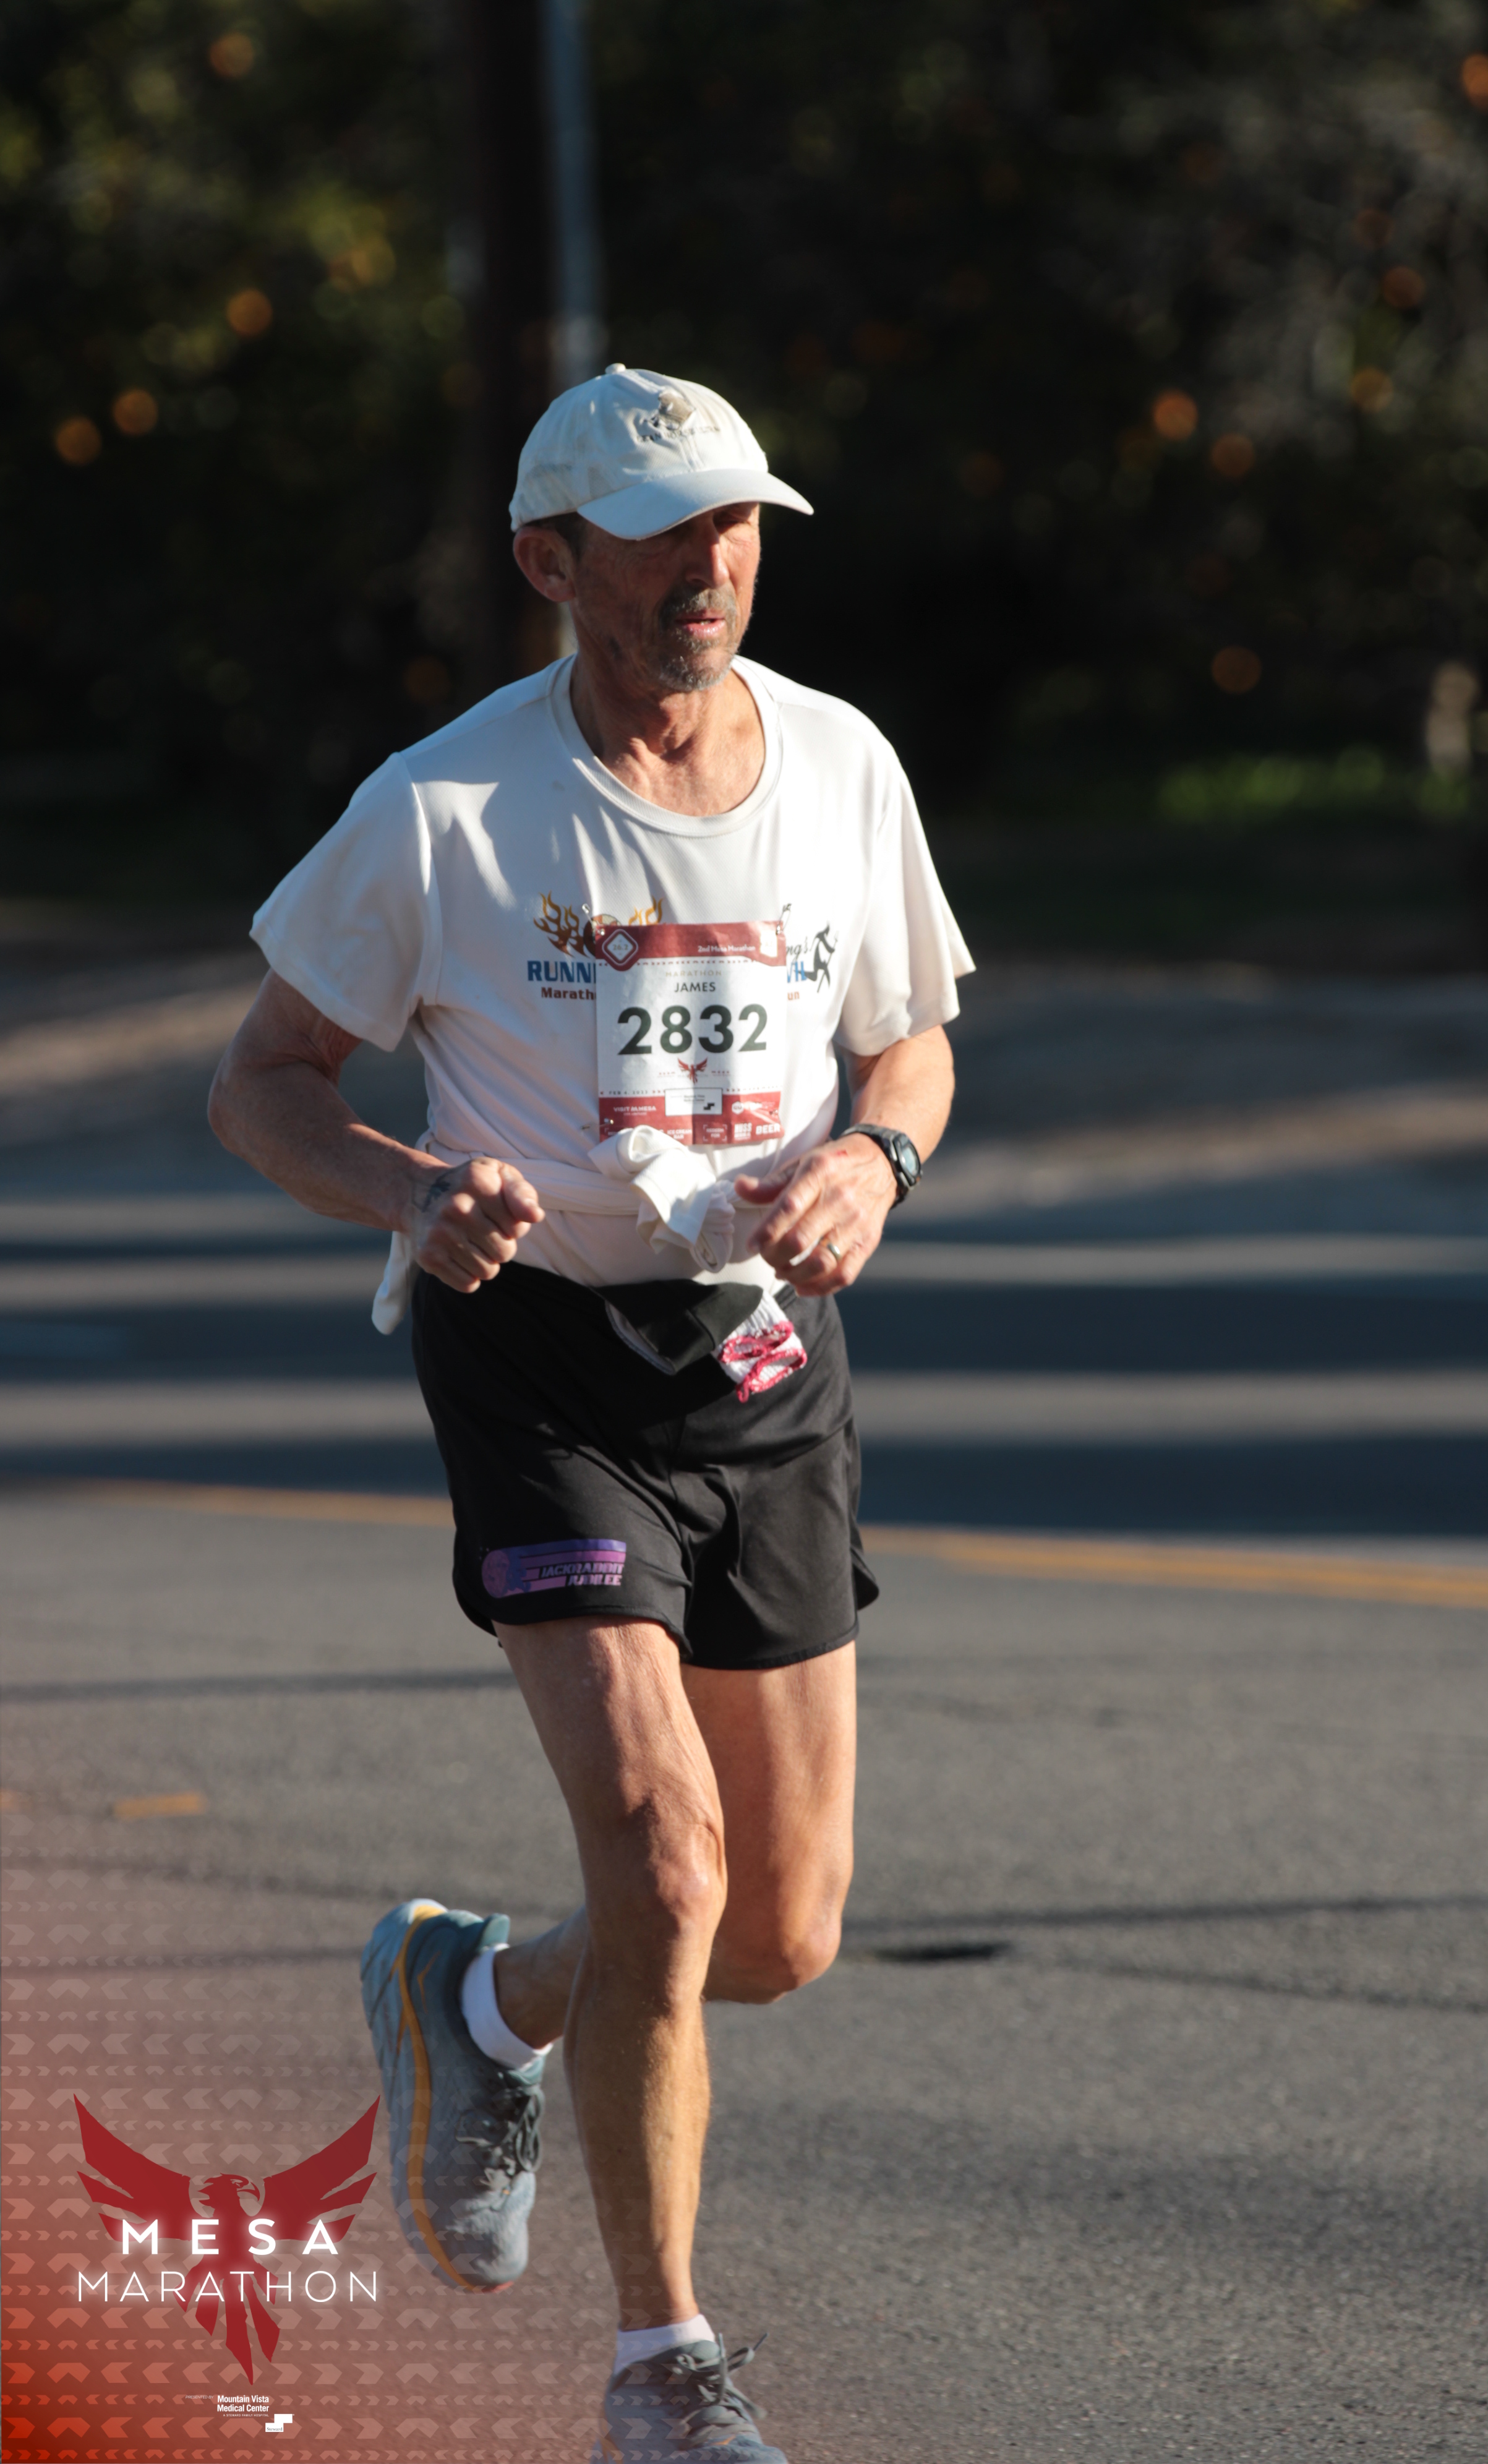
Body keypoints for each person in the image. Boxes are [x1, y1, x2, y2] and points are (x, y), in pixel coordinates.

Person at [209, 362, 972, 2463]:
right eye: (661, 535)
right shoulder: (442, 808)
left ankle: (478, 1993)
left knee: (775, 1930)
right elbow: (261, 1084)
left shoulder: (841, 764)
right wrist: (405, 1189)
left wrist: (877, 1160)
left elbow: (911, 1043)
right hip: (538, 1355)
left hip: (762, 1360)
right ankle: (664, 2369)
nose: (712, 567)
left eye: (737, 525)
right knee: (662, 1850)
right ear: (553, 562)